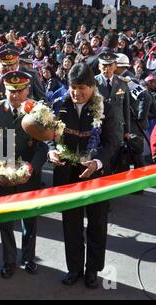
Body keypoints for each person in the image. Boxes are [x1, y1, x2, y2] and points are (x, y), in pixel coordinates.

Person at [48, 63, 119, 289]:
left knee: (97, 224)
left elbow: (112, 142)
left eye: (82, 88)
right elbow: (48, 134)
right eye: (73, 88)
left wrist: (97, 162)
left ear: (92, 86)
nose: (77, 93)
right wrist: (51, 149)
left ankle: (92, 271)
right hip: (67, 175)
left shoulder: (105, 107)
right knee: (71, 224)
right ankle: (75, 268)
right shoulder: (59, 105)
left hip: (96, 175)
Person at [0, 71, 48, 279]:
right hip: (4, 176)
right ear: (5, 90)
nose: (16, 96)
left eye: (20, 91)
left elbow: (43, 147)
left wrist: (33, 167)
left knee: (29, 220)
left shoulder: (37, 111)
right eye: (12, 91)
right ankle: (9, 260)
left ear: (28, 90)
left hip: (29, 175)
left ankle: (29, 257)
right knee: (6, 221)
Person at [95, 51, 131, 173]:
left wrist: (127, 131)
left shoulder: (122, 82)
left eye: (110, 65)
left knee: (117, 160)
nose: (107, 68)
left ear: (115, 66)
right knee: (102, 161)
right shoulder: (93, 83)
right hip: (100, 128)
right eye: (104, 65)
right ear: (99, 66)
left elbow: (126, 108)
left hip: (117, 128)